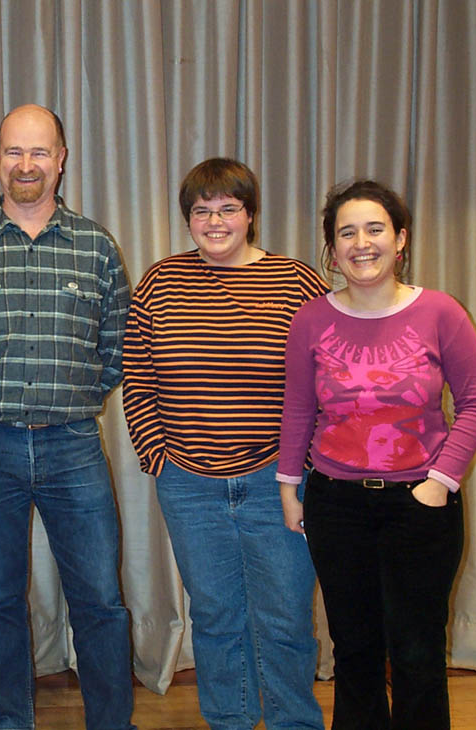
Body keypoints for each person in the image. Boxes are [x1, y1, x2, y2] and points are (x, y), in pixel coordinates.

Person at [0, 104, 135, 730]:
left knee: (100, 599)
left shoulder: (96, 247)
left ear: (61, 159)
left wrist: (71, 398)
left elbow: (117, 345)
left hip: (73, 444)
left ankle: (111, 722)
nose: (27, 165)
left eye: (40, 152)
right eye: (15, 151)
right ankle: (11, 721)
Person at [277, 180, 476, 729]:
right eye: (346, 232)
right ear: (332, 249)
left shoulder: (441, 312)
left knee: (418, 653)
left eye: (375, 229)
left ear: (400, 239)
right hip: (336, 504)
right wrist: (288, 488)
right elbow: (298, 409)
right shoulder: (310, 320)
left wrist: (439, 483)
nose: (362, 243)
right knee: (354, 650)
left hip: (420, 505)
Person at [122, 158, 326, 729]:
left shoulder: (295, 281)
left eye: (228, 209)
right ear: (188, 219)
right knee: (215, 616)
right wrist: (156, 454)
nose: (215, 222)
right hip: (188, 484)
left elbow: (329, 373)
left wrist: (306, 460)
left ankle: (293, 723)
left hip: (277, 483)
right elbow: (137, 375)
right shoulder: (160, 282)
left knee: (285, 617)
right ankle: (230, 720)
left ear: (251, 214)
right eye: (201, 211)